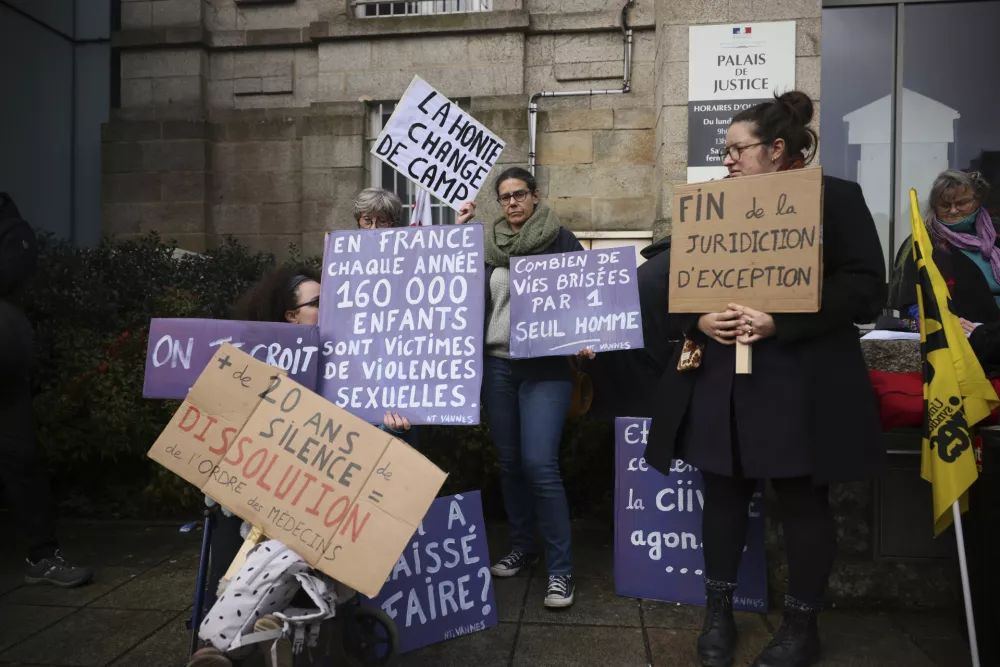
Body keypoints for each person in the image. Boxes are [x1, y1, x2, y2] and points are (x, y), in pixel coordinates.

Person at [642, 92, 886, 667]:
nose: (726, 160)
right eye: (724, 150)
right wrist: (698, 317)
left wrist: (784, 319)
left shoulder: (838, 199)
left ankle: (801, 628)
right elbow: (673, 289)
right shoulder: (714, 205)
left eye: (736, 149)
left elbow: (865, 288)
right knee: (721, 495)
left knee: (802, 502)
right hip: (723, 378)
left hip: (798, 379)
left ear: (777, 151)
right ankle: (718, 615)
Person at [465, 167, 593, 609]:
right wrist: (458, 235)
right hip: (498, 367)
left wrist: (589, 338)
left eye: (520, 194)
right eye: (505, 197)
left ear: (536, 197)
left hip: (546, 368)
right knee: (511, 463)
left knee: (540, 464)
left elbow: (587, 299)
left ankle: (560, 573)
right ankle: (523, 547)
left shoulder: (561, 241)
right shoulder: (486, 247)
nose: (513, 203)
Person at [0, 192, 93, 588]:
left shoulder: (6, 217)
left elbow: (15, 262)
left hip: (5, 371)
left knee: (21, 460)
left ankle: (42, 556)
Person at [351, 187, 420, 448]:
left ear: (393, 224)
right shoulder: (343, 258)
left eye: (382, 221)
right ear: (358, 222)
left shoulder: (410, 259)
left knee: (399, 433)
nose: (374, 228)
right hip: (357, 362)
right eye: (367, 220)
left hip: (399, 363)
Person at [890, 170, 999, 333]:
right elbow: (910, 300)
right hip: (961, 338)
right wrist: (944, 321)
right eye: (945, 205)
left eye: (961, 203)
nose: (953, 210)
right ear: (935, 206)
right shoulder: (921, 242)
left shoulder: (996, 232)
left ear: (977, 201)